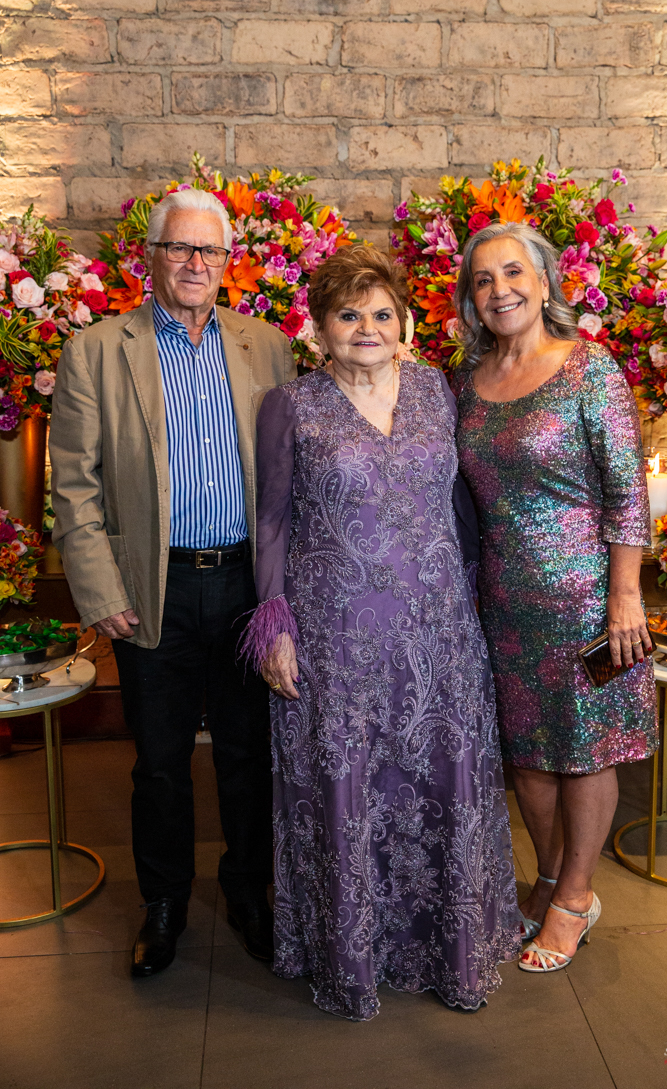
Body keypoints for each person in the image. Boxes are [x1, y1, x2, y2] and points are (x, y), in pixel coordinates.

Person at [242, 244, 520, 1021]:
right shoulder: (290, 405)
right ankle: (354, 959)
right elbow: (271, 522)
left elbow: (462, 506)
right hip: (336, 641)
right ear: (319, 328)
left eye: (381, 313)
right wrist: (274, 627)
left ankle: (447, 952)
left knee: (438, 785)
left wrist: (481, 600)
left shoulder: (436, 389)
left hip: (438, 631)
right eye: (348, 314)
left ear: (404, 323)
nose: (367, 327)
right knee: (350, 793)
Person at [49, 188, 296, 978]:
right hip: (150, 589)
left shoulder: (267, 346)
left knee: (249, 754)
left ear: (228, 262)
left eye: (210, 250)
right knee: (158, 760)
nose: (196, 263)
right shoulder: (97, 351)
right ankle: (163, 904)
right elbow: (74, 485)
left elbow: (291, 478)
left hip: (246, 588)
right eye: (180, 248)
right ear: (150, 257)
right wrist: (100, 589)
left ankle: (250, 892)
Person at [453, 221, 657, 974]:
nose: (500, 289)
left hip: (587, 602)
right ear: (471, 299)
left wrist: (625, 596)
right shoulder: (464, 382)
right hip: (502, 604)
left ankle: (576, 897)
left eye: (514, 272)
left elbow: (627, 492)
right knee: (528, 755)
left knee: (585, 750)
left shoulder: (589, 369)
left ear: (543, 283)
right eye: (483, 279)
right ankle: (546, 876)